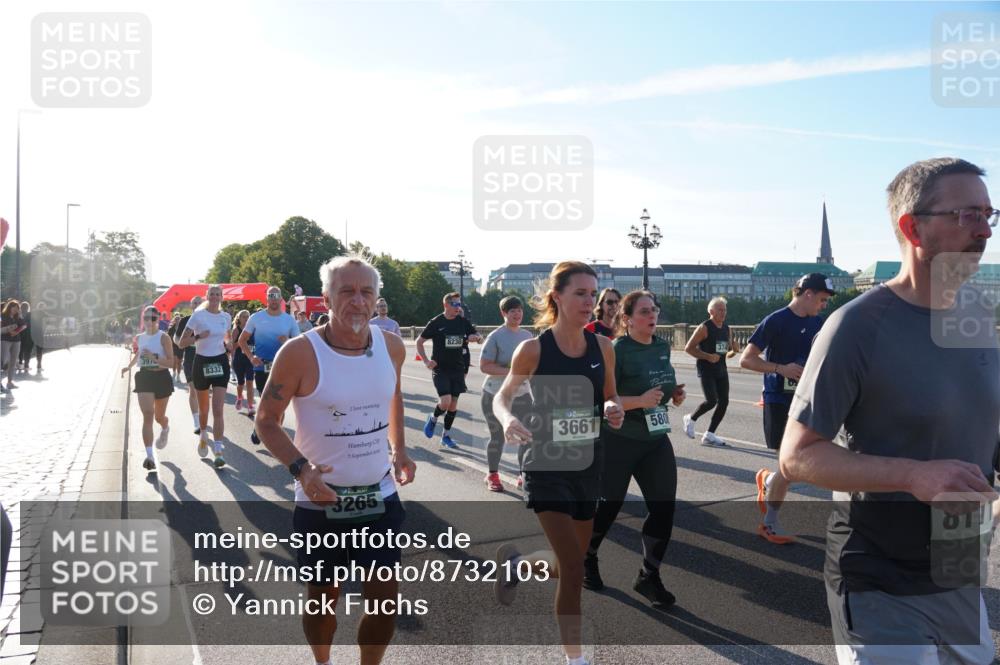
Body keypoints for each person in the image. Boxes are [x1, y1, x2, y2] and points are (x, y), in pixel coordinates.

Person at [781, 158, 1000, 664]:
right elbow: (797, 457)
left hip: (962, 564)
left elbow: (981, 421)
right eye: (967, 214)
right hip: (880, 573)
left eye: (989, 214)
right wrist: (914, 476)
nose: (985, 229)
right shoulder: (856, 326)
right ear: (912, 226)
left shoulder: (978, 314)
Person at [255, 256, 416, 665]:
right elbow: (267, 420)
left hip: (379, 496)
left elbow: (392, 395)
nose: (358, 301)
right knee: (322, 600)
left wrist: (400, 449)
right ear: (326, 298)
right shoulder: (299, 353)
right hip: (320, 501)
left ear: (377, 298)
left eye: (367, 292)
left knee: (384, 600)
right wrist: (301, 469)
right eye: (347, 291)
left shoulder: (391, 346)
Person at [493, 261, 624, 665]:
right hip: (545, 462)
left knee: (567, 561)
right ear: (558, 297)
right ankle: (575, 659)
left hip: (587, 461)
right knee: (572, 566)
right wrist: (508, 419)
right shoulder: (533, 349)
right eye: (580, 293)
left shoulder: (603, 347)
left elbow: (610, 396)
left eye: (593, 294)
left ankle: (516, 565)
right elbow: (503, 396)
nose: (591, 302)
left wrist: (612, 408)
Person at [584, 290, 685, 609]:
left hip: (655, 438)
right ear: (626, 319)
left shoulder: (661, 346)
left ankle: (648, 575)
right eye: (644, 311)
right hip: (619, 438)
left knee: (664, 508)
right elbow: (601, 398)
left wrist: (674, 393)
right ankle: (587, 556)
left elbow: (662, 383)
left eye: (653, 309)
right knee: (609, 506)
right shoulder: (617, 350)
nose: (652, 315)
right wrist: (639, 401)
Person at [739, 273, 832, 544]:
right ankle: (769, 523)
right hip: (778, 399)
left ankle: (769, 482)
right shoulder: (775, 320)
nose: (824, 305)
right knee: (789, 464)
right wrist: (781, 369)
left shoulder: (818, 322)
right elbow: (747, 360)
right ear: (808, 294)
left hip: (806, 399)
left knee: (796, 462)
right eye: (823, 300)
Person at [479, 295, 534, 492]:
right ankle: (492, 474)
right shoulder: (495, 336)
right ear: (504, 313)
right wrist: (513, 373)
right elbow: (484, 366)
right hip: (495, 394)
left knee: (526, 436)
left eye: (519, 310)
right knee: (498, 437)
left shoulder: (528, 336)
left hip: (522, 394)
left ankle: (523, 474)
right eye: (512, 311)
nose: (517, 314)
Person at [416, 292, 483, 449]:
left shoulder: (462, 321)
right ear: (446, 305)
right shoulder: (436, 322)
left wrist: (477, 338)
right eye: (455, 304)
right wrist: (426, 361)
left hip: (457, 369)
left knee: (453, 405)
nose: (458, 307)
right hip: (440, 369)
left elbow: (478, 336)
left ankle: (445, 436)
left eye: (460, 304)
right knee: (445, 402)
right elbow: (419, 342)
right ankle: (433, 418)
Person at [177, 286, 232, 468]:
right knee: (204, 409)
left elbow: (227, 338)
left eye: (218, 294)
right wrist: (198, 336)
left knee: (218, 409)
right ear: (207, 296)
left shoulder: (226, 317)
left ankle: (218, 450)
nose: (215, 297)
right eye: (212, 294)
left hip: (220, 363)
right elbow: (181, 342)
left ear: (222, 297)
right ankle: (202, 434)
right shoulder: (198, 316)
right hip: (201, 363)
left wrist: (229, 346)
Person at [240, 285, 299, 445]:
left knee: (280, 403)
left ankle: (274, 436)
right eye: (270, 296)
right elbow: (242, 340)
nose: (273, 299)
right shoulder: (256, 317)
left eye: (276, 296)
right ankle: (259, 427)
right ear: (266, 298)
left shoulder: (289, 320)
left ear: (281, 299)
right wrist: (251, 357)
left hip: (283, 367)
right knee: (266, 400)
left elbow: (299, 344)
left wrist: (286, 341)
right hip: (262, 366)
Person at [120, 305, 174, 470]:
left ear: (158, 319)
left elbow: (171, 362)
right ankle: (149, 456)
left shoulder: (164, 337)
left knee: (159, 417)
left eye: (153, 318)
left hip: (162, 378)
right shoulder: (140, 337)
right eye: (146, 318)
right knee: (148, 415)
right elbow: (138, 354)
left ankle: (165, 427)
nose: (149, 321)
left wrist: (154, 358)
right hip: (144, 377)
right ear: (143, 319)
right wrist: (128, 367)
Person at [683, 296, 739, 447]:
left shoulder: (727, 328)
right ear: (711, 311)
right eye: (720, 310)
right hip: (706, 369)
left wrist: (733, 348)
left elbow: (728, 350)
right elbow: (688, 348)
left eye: (725, 310)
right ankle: (691, 418)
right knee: (711, 400)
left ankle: (710, 434)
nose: (723, 312)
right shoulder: (704, 327)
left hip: (721, 368)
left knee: (724, 401)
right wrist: (707, 356)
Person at [173, 296, 205, 433]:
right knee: (193, 389)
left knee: (202, 391)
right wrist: (187, 342)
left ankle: (203, 416)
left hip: (206, 357)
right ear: (191, 305)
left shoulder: (209, 318)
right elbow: (176, 339)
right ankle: (196, 422)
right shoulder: (186, 320)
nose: (197, 305)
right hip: (190, 358)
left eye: (200, 303)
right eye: (195, 303)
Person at [230, 310, 255, 414]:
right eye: (243, 316)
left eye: (247, 316)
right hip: (239, 360)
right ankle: (239, 398)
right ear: (239, 318)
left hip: (250, 359)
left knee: (250, 383)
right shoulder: (236, 330)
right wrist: (241, 342)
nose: (245, 318)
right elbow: (231, 347)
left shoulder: (253, 329)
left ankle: (250, 406)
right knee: (241, 383)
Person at [1, 301, 24, 393]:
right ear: (9, 307)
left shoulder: (18, 316)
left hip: (16, 341)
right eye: (14, 308)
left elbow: (24, 325)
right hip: (5, 340)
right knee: (3, 361)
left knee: (13, 362)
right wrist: (10, 330)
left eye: (17, 309)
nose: (16, 310)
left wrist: (16, 331)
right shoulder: (3, 316)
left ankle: (9, 382)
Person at [166, 313, 183, 380]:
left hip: (181, 346)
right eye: (176, 319)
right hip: (173, 346)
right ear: (174, 320)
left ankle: (178, 375)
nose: (177, 320)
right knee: (175, 361)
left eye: (179, 319)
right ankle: (174, 373)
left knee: (179, 362)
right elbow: (168, 337)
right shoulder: (171, 329)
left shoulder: (183, 329)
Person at [17, 302, 32, 373]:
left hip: (20, 334)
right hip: (29, 335)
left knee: (21, 350)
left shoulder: (19, 315)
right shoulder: (30, 315)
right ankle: (26, 365)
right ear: (28, 307)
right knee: (28, 351)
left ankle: (20, 363)